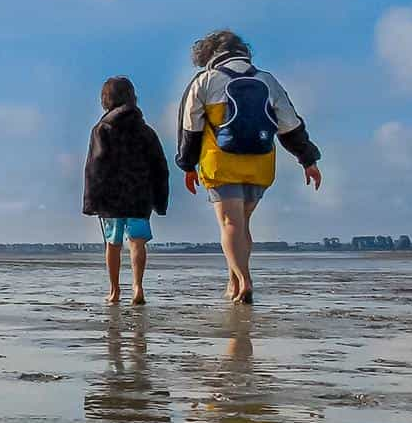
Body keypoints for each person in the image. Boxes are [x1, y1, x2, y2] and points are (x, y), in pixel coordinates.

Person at [175, 30, 322, 304]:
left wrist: (187, 165)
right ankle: (233, 282)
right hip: (260, 164)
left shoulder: (204, 81)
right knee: (242, 226)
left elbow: (190, 129)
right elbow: (290, 125)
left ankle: (244, 281)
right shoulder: (266, 80)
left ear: (208, 55)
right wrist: (308, 160)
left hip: (221, 163)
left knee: (230, 223)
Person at [83, 75, 171, 305]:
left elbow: (95, 165)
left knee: (112, 244)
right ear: (133, 98)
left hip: (111, 198)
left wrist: (91, 200)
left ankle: (114, 291)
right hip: (140, 195)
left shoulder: (102, 129)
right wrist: (160, 200)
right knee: (138, 242)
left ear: (105, 100)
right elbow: (159, 166)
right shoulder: (146, 130)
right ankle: (138, 287)